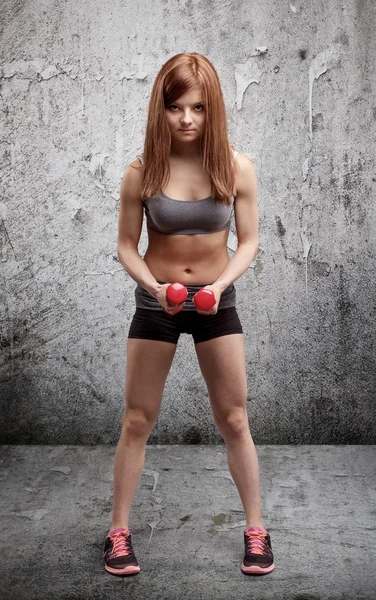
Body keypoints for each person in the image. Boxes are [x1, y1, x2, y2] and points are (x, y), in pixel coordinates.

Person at [103, 52, 275, 577]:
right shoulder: (143, 170)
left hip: (214, 301)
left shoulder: (235, 166)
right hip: (158, 301)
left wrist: (221, 284)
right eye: (175, 107)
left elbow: (249, 241)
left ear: (212, 109)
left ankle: (256, 530)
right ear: (162, 108)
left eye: (197, 108)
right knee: (137, 419)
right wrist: (154, 287)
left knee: (235, 419)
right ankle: (118, 533)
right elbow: (126, 246)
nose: (186, 119)